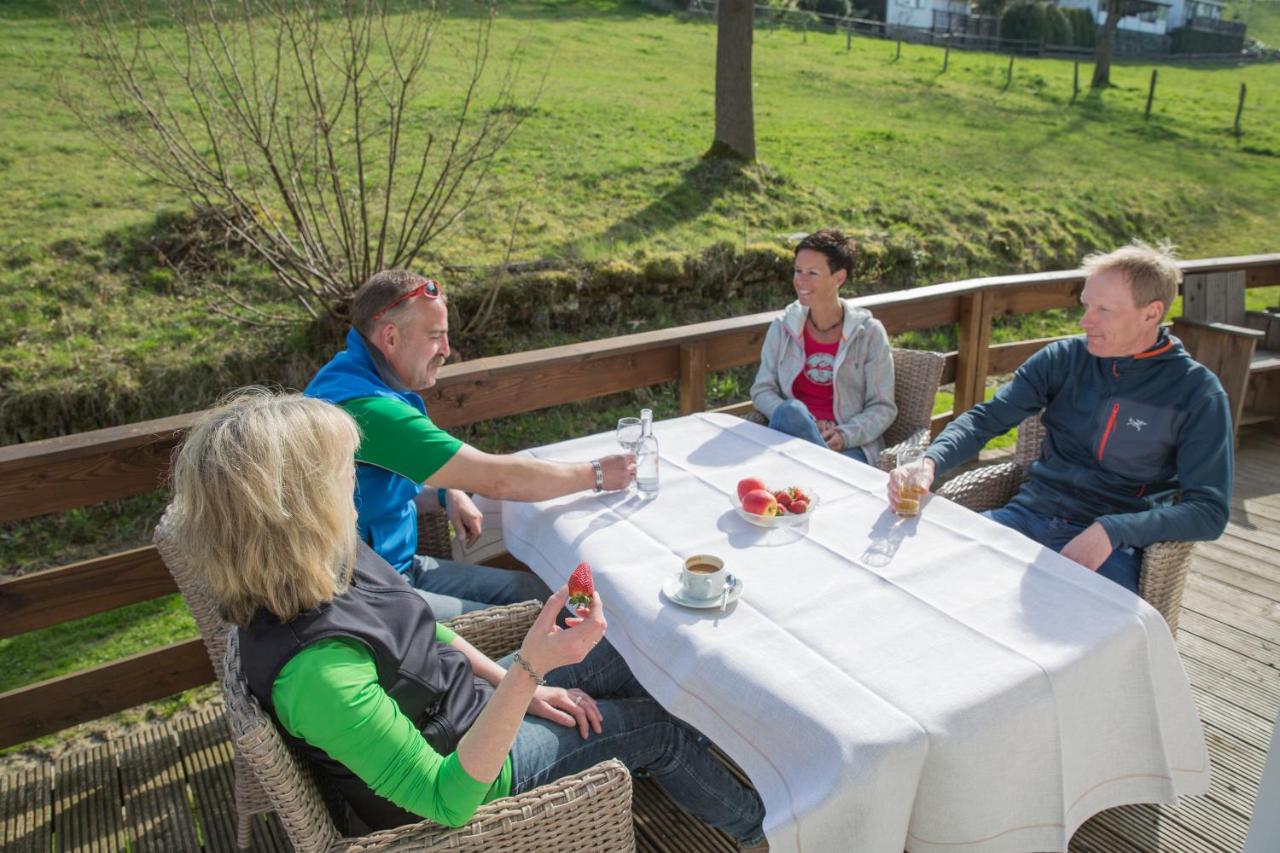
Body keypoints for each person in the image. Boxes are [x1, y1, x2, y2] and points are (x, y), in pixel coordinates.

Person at [170, 391, 768, 849]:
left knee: (634, 651)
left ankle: (706, 764)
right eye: (342, 469)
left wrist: (522, 685)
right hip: (469, 774)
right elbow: (446, 799)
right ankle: (761, 831)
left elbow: (422, 632)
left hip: (468, 706)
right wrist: (530, 670)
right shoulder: (316, 672)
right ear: (299, 505)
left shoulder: (324, 559)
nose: (355, 478)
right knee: (657, 730)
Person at [888, 241, 1232, 593]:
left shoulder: (1197, 392)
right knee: (924, 582)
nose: (1085, 321)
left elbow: (1209, 511)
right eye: (1086, 305)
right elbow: (985, 419)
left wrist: (1115, 529)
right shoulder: (1062, 359)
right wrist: (930, 461)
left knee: (1071, 624)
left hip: (1114, 550)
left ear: (1151, 313)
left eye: (1104, 310)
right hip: (1024, 518)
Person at [305, 270, 636, 618]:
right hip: (363, 595)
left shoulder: (348, 375)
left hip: (391, 567)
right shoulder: (370, 410)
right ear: (390, 338)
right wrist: (597, 474)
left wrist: (445, 493)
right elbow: (498, 479)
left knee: (534, 592)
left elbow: (369, 491)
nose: (447, 351)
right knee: (546, 616)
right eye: (436, 336)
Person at [750, 229, 896, 464]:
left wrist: (844, 435)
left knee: (807, 464)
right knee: (791, 411)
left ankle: (819, 466)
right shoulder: (782, 327)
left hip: (850, 446)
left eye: (812, 273)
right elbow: (762, 390)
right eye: (798, 270)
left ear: (839, 278)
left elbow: (882, 407)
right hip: (791, 438)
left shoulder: (869, 333)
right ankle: (823, 467)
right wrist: (806, 422)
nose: (801, 280)